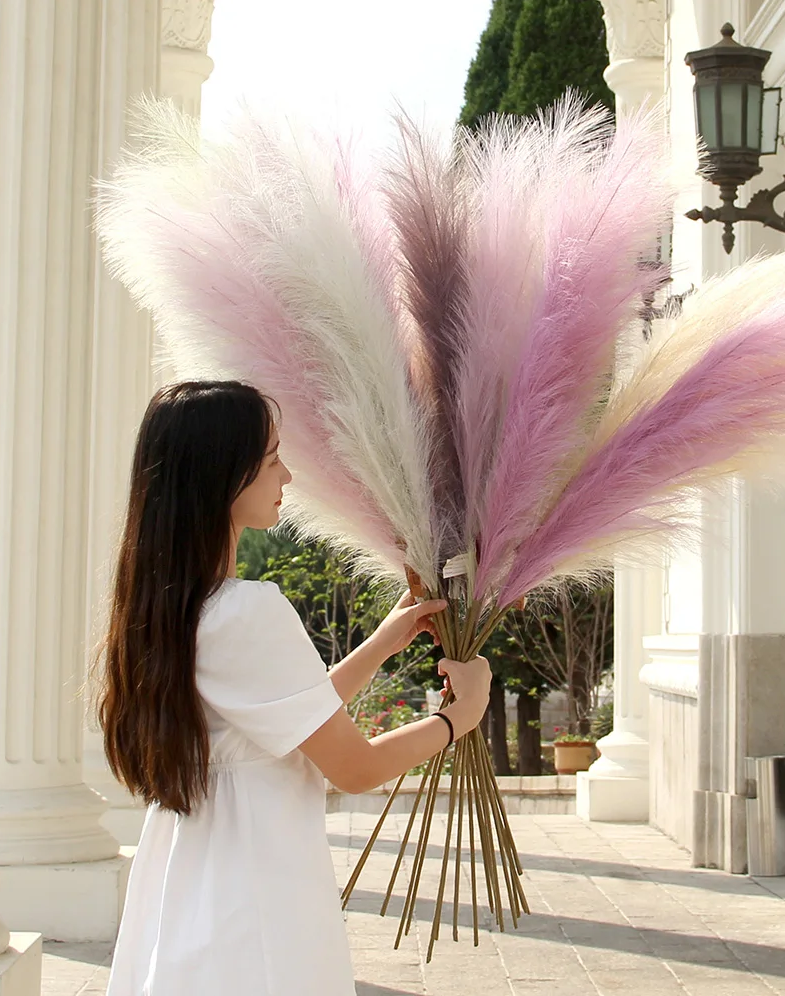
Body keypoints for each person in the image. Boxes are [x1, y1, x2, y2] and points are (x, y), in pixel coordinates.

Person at [97, 380, 492, 996]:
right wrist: (459, 718)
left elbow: (275, 722)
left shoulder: (171, 606)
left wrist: (381, 644)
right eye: (273, 458)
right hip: (258, 889)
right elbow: (353, 767)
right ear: (223, 476)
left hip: (193, 877)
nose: (287, 476)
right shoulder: (246, 610)